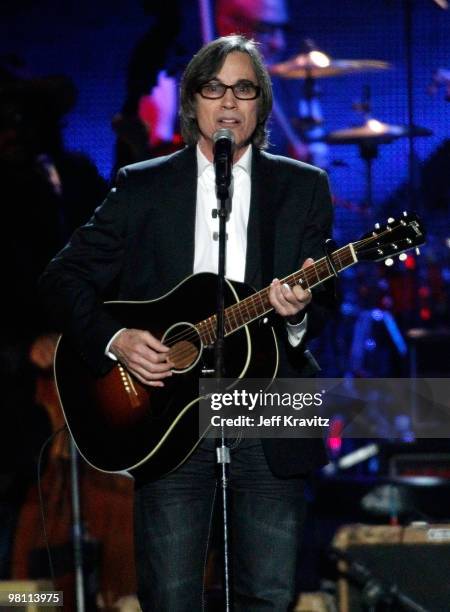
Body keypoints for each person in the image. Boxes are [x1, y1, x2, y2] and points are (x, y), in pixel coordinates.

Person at [39, 35, 335, 611]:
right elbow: (61, 279)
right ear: (192, 102)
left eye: (244, 89)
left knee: (269, 595)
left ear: (261, 104)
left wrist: (297, 316)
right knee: (171, 596)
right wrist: (116, 339)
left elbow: (327, 304)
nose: (229, 102)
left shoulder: (303, 187)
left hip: (272, 405)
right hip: (165, 408)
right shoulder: (142, 184)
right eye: (214, 88)